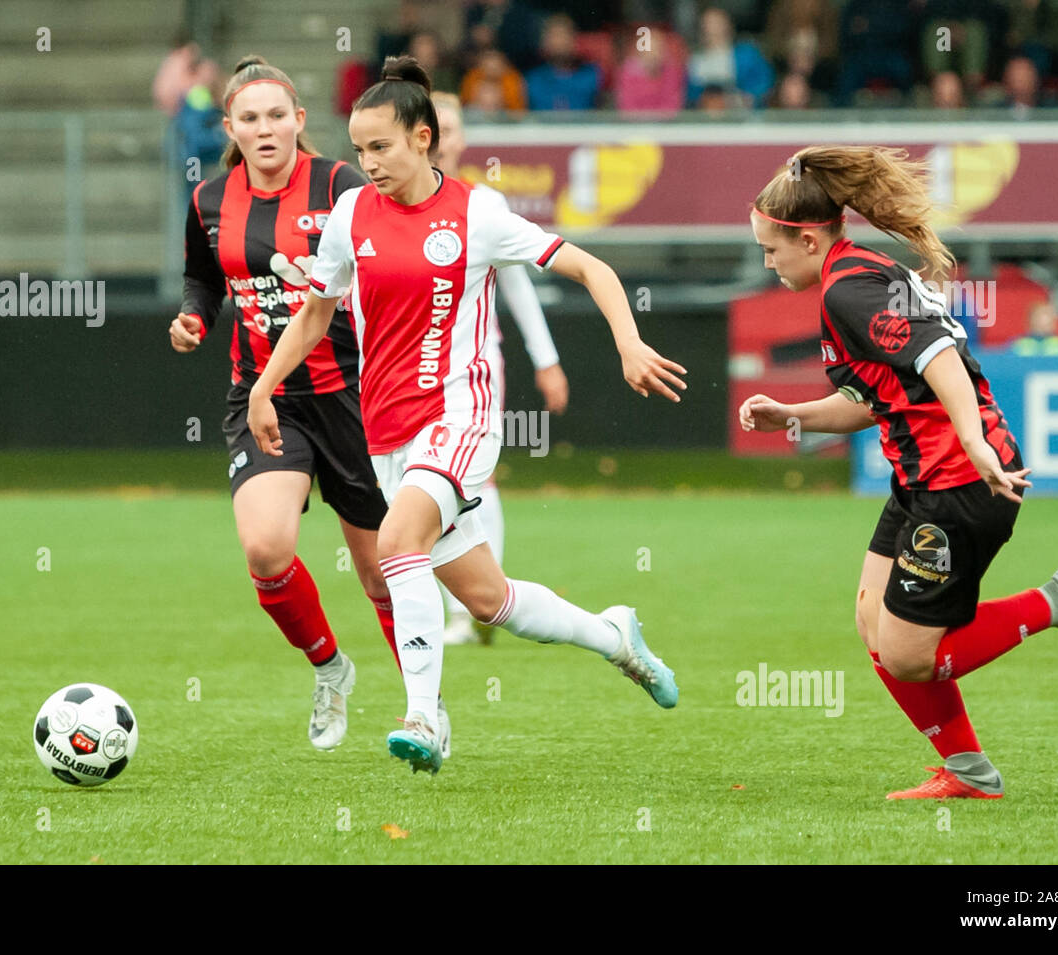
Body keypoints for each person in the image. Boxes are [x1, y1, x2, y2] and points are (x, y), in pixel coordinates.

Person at [247, 55, 685, 775]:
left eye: (380, 147)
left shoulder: (477, 212)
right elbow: (315, 315)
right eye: (359, 150)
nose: (368, 163)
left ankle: (424, 716)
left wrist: (629, 342)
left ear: (423, 138)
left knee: (396, 544)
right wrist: (264, 387)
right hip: (386, 429)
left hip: (460, 414)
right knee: (490, 599)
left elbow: (591, 269)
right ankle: (616, 636)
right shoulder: (353, 212)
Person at [739, 145, 1058, 799]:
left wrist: (972, 439)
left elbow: (938, 354)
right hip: (924, 480)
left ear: (806, 237)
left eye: (771, 250)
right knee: (872, 619)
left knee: (909, 655)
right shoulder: (854, 274)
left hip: (960, 484)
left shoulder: (847, 288)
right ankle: (970, 772)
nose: (768, 263)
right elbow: (875, 399)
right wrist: (792, 414)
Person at [170, 55, 419, 754]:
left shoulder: (342, 183)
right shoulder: (209, 199)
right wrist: (193, 316)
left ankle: (423, 711)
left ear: (300, 121)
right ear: (231, 128)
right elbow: (201, 275)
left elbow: (397, 248)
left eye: (277, 115)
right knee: (266, 547)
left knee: (381, 572)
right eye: (250, 118)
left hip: (356, 398)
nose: (265, 128)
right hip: (265, 398)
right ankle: (330, 668)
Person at [429, 90, 569, 645]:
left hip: (474, 368)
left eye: (453, 127)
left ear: (463, 139)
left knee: (473, 478)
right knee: (426, 483)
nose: (444, 137)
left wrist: (548, 360)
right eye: (435, 125)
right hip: (408, 371)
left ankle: (478, 609)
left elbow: (518, 284)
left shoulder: (483, 205)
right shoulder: (381, 206)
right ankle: (472, 605)